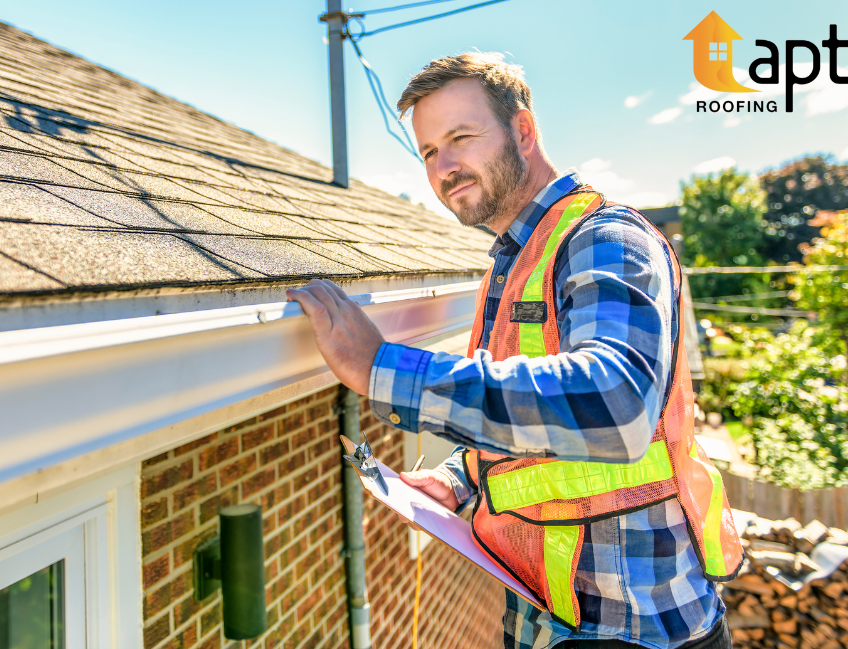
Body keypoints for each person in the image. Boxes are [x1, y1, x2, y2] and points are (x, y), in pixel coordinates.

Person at [287, 52, 741, 649]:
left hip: (636, 628)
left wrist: (381, 369)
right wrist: (459, 477)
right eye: (427, 151)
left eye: (460, 137)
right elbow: (538, 424)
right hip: (547, 620)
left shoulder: (602, 238)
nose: (444, 166)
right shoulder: (514, 261)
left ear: (523, 130)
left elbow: (617, 404)